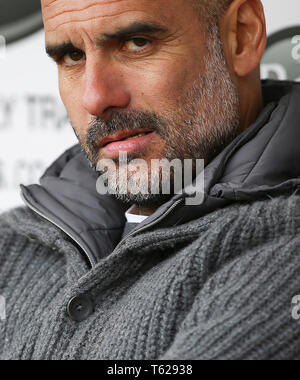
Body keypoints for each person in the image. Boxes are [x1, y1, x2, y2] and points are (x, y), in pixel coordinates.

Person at [0, 0, 299, 360]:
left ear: (242, 36)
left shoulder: (284, 251)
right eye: (72, 56)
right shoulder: (13, 241)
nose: (95, 98)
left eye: (137, 43)